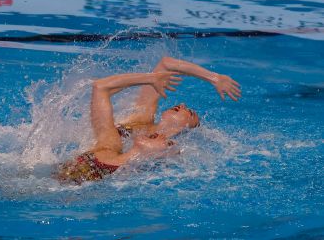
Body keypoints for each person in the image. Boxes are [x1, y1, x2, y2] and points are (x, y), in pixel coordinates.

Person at [55, 57, 241, 184]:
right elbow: (166, 64)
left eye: (190, 112)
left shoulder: (161, 153)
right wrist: (214, 78)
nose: (183, 104)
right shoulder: (141, 119)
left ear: (184, 128)